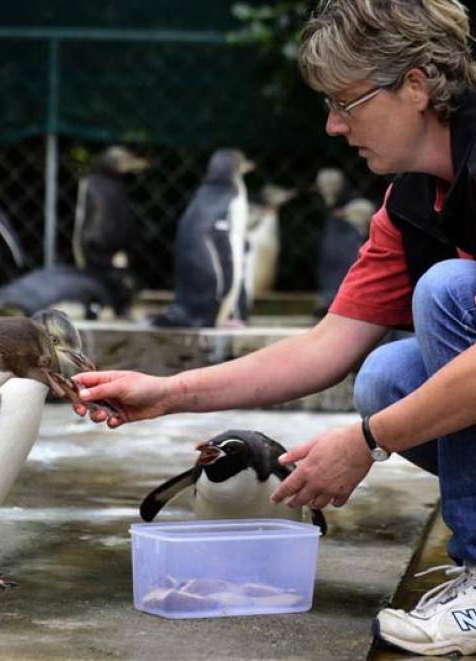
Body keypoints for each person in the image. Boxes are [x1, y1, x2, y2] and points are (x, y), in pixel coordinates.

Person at [74, 0, 476, 656]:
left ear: (416, 84)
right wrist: (167, 392)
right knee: (386, 377)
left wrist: (366, 442)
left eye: (346, 101)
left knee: (447, 293)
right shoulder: (413, 202)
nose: (334, 125)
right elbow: (325, 346)